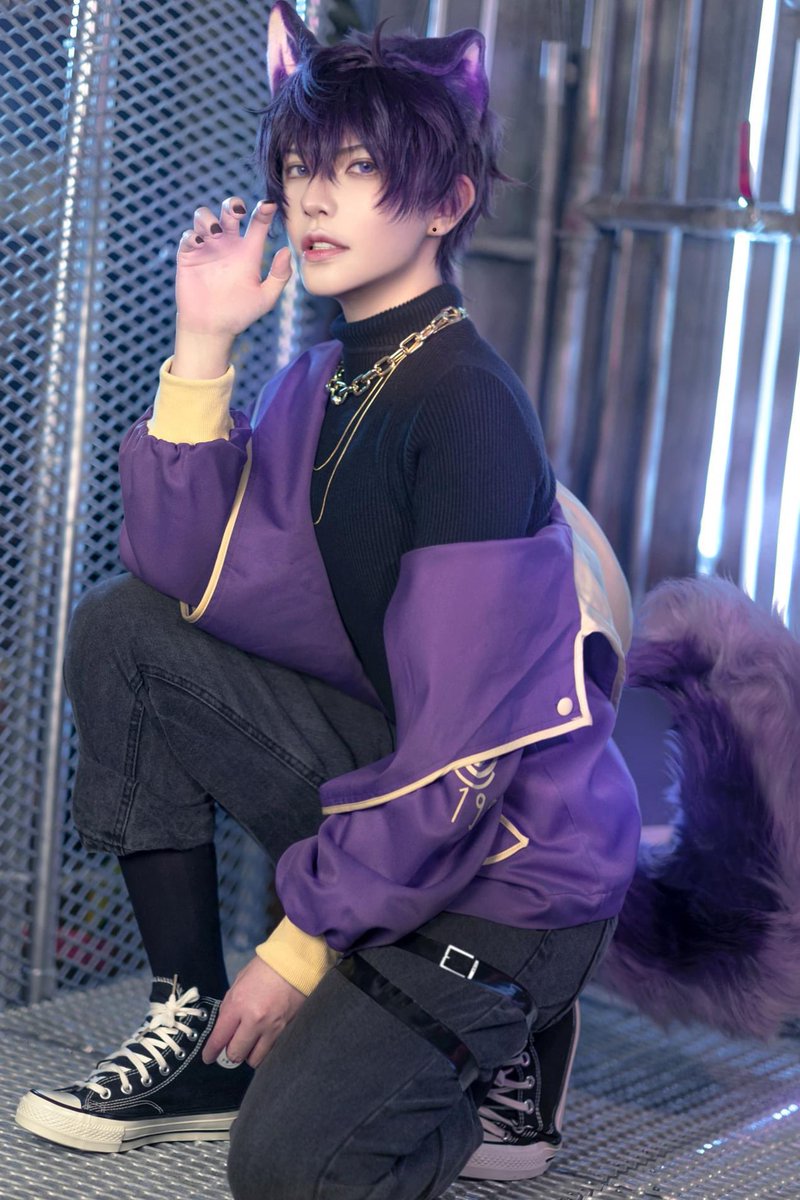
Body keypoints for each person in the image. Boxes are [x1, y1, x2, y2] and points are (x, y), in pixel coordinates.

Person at [15, 3, 642, 1196]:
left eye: (356, 168)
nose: (312, 198)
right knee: (125, 633)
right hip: (402, 801)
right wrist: (203, 342)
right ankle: (197, 1037)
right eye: (302, 166)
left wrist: (299, 951)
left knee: (291, 1169)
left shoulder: (465, 405)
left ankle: (502, 1043)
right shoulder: (320, 378)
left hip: (508, 864)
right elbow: (182, 574)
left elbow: (466, 748)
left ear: (445, 201)